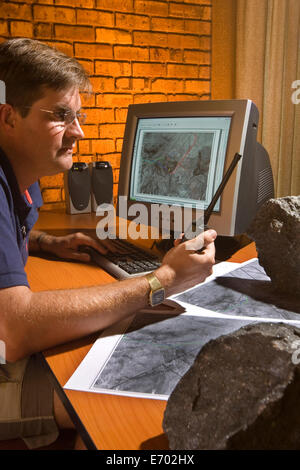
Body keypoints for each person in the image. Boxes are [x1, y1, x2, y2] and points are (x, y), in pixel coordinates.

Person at [0, 37, 216, 449]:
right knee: (133, 395)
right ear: (8, 116)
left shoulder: (22, 178)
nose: (78, 132)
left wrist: (45, 242)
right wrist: (162, 279)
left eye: (77, 115)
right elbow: (13, 329)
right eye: (61, 116)